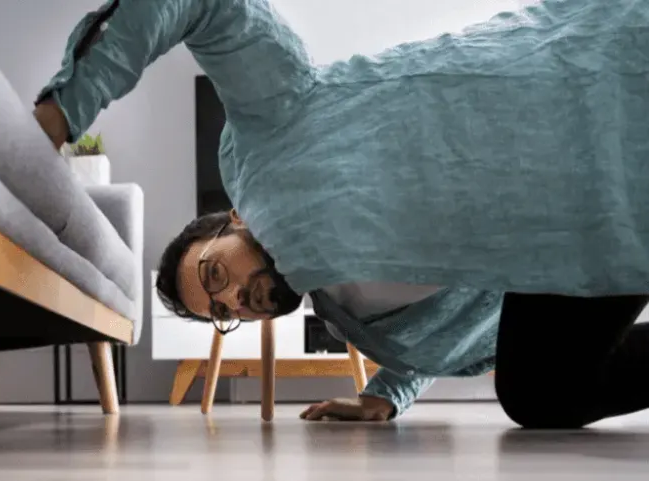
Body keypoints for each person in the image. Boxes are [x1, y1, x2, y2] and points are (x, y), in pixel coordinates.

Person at [33, 0, 649, 428]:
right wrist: (387, 394)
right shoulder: (350, 317)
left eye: (216, 274)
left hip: (586, 100)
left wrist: (64, 111)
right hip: (574, 244)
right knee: (539, 395)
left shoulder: (273, 127)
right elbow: (430, 310)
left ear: (234, 220)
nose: (237, 302)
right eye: (222, 312)